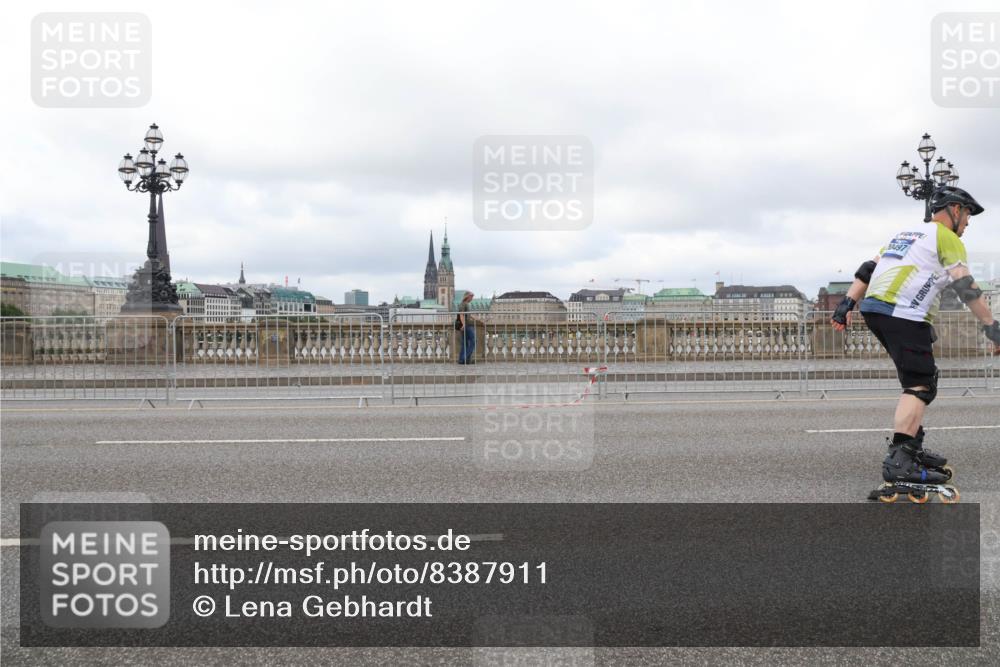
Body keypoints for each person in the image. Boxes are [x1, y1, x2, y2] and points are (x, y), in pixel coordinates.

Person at [830, 185, 1000, 490]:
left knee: (922, 379)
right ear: (955, 209)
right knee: (919, 384)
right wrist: (991, 327)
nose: (969, 223)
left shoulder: (906, 235)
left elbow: (869, 268)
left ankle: (912, 447)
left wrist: (846, 305)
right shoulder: (946, 238)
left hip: (876, 309)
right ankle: (900, 462)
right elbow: (966, 287)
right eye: (968, 214)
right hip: (903, 313)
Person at [457, 291, 476, 364]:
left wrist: (479, 319)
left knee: (465, 344)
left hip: (466, 325)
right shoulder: (463, 304)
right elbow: (461, 315)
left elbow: (469, 315)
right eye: (471, 296)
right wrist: (464, 324)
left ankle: (462, 360)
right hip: (466, 326)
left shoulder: (466, 304)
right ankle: (464, 358)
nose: (472, 298)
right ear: (467, 296)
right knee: (473, 341)